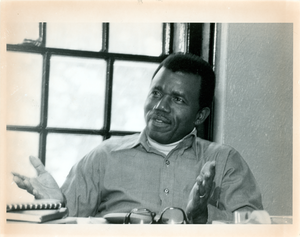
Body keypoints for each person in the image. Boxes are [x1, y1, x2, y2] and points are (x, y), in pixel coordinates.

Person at [12, 53, 263, 224]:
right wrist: (53, 206)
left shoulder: (225, 162)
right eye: (156, 93)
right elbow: (67, 227)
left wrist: (201, 216)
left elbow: (256, 231)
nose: (160, 106)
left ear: (200, 115)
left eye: (177, 99)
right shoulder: (105, 156)